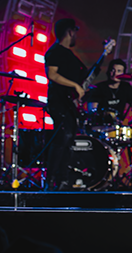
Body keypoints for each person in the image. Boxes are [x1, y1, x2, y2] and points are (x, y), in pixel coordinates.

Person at [43, 18, 87, 192]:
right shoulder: (55, 52)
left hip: (69, 103)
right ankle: (51, 180)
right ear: (70, 32)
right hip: (58, 101)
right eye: (75, 31)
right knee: (62, 138)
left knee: (68, 140)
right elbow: (52, 75)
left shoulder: (70, 55)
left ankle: (62, 180)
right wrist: (74, 85)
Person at [82, 58, 132, 126]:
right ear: (108, 71)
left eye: (119, 71)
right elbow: (92, 111)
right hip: (101, 124)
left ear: (123, 74)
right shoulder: (99, 87)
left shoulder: (126, 87)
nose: (115, 73)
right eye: (112, 70)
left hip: (118, 125)